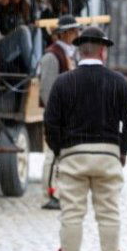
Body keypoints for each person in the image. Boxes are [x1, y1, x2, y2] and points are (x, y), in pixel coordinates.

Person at [43, 27, 127, 251]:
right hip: (108, 155)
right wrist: (122, 150)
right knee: (109, 215)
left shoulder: (63, 82)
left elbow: (50, 123)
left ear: (79, 51)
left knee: (71, 215)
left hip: (73, 156)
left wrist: (60, 150)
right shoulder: (119, 82)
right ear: (103, 51)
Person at [39, 16, 82, 210]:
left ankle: (63, 191)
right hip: (57, 116)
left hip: (71, 114)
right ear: (64, 34)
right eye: (74, 31)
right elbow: (46, 90)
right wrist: (55, 116)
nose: (77, 34)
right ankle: (49, 193)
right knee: (52, 155)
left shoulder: (74, 54)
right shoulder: (51, 56)